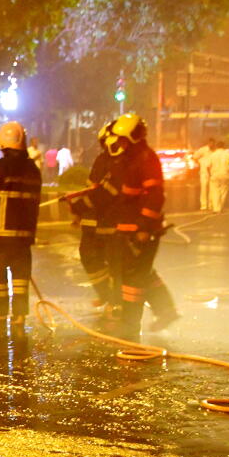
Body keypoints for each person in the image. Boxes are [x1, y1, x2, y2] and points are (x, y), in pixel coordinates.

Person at [106, 113, 179, 339]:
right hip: (130, 228)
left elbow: (155, 195)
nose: (120, 144)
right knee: (142, 273)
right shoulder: (132, 159)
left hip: (140, 231)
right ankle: (166, 310)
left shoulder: (146, 159)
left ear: (132, 137)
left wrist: (144, 228)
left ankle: (130, 325)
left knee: (133, 279)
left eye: (123, 139)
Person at [0, 121, 42, 326]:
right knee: (21, 275)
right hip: (24, 234)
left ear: (3, 143)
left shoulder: (2, 166)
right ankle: (20, 314)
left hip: (0, 233)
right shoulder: (33, 169)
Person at [68, 123, 120, 317]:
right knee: (89, 256)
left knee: (114, 263)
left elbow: (103, 193)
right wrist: (80, 211)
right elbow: (93, 189)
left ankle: (115, 301)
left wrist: (79, 207)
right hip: (94, 220)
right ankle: (107, 294)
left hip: (111, 222)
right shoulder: (102, 159)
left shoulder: (120, 163)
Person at [207, 139, 229, 213]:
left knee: (215, 192)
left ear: (216, 146)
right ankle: (220, 207)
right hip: (225, 174)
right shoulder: (228, 154)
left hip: (215, 175)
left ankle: (216, 208)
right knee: (223, 192)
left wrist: (210, 174)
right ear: (224, 146)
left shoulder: (213, 154)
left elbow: (208, 166)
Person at [192, 137, 215, 211]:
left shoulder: (215, 151)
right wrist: (199, 164)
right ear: (208, 143)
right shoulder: (203, 150)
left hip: (213, 172)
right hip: (204, 172)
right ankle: (203, 206)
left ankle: (211, 205)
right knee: (204, 189)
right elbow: (194, 157)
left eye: (213, 143)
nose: (211, 144)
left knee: (212, 189)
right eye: (210, 143)